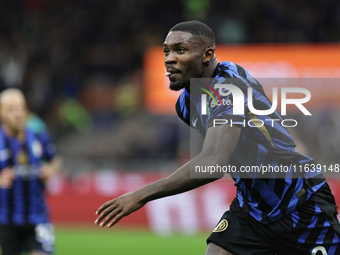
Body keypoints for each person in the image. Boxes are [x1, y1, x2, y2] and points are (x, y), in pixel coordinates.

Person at [95, 21, 340, 255]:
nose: (169, 59)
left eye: (181, 50)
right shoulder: (186, 104)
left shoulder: (230, 86)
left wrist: (140, 195)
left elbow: (213, 163)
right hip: (251, 210)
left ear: (207, 55)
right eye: (167, 51)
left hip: (300, 203)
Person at [0, 89, 62, 255]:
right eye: (11, 109)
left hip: (37, 217)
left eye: (21, 108)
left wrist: (50, 170)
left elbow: (55, 159)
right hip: (5, 220)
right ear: (1, 112)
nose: (18, 113)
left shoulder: (37, 136)